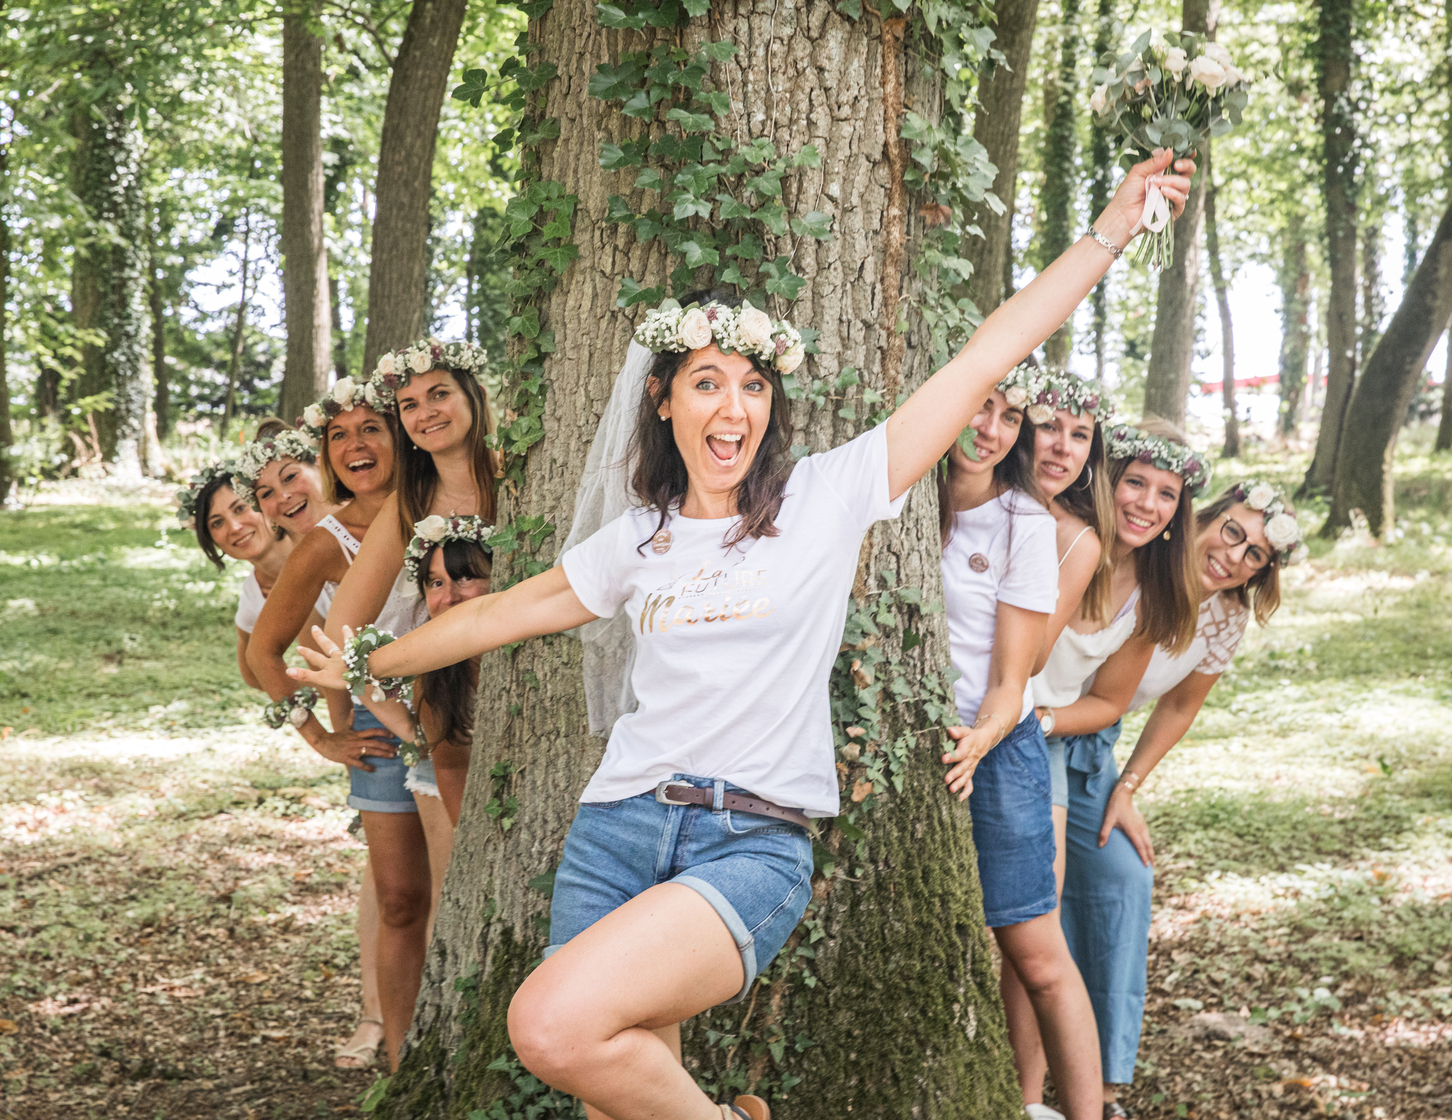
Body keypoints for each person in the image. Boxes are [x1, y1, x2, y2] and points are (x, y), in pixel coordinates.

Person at [290, 148, 1196, 1120]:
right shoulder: (636, 539)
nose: (733, 406)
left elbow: (985, 353)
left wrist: (1108, 231)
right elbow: (506, 615)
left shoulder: (828, 493)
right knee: (612, 1088)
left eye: (752, 387)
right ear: (663, 397)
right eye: (709, 383)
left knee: (551, 1027)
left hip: (749, 838)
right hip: (616, 829)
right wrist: (361, 661)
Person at [1034, 481, 1301, 1119]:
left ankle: (1104, 1085)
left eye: (1255, 556)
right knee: (1043, 898)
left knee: (1124, 877)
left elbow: (1180, 705)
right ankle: (1034, 1075)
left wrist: (1127, 789)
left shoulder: (1226, 617)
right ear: (1206, 519)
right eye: (1232, 532)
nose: (1235, 556)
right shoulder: (1148, 563)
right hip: (1043, 722)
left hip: (1093, 750)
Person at [1008, 420, 1209, 1120]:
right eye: (1136, 483)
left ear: (1177, 515)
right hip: (1002, 718)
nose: (1147, 504)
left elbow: (1108, 703)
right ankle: (1031, 1096)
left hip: (1050, 736)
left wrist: (1043, 724)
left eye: (1166, 495)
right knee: (1034, 911)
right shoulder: (1067, 537)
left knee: (1049, 905)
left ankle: (1048, 1100)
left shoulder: (1154, 596)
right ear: (1110, 479)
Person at [318, 339, 497, 1071]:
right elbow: (341, 637)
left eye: (439, 395)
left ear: (471, 398)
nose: (425, 413)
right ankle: (410, 1067)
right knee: (458, 899)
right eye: (411, 404)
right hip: (446, 729)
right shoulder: (407, 505)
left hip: (528, 716)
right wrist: (399, 718)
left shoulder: (518, 474)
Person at [935, 364, 1102, 1120]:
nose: (989, 429)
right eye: (981, 408)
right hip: (910, 743)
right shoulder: (908, 500)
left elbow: (1013, 678)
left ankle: (1086, 1112)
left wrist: (979, 740)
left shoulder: (1026, 525)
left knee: (1035, 953)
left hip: (995, 751)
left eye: (1008, 417)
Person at [247, 383, 406, 1070]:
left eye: (371, 430)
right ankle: (393, 1042)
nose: (355, 448)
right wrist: (323, 738)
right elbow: (262, 653)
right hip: (378, 719)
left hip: (457, 705)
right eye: (340, 437)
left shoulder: (435, 503)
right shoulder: (319, 544)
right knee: (397, 891)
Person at [352, 515, 493, 826]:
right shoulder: (434, 676)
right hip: (454, 786)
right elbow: (451, 766)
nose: (449, 597)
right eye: (436, 582)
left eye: (466, 577)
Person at [177, 464, 325, 689]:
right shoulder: (255, 594)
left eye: (240, 509)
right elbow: (254, 674)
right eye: (217, 523)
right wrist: (317, 687)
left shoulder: (321, 547)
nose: (235, 527)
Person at [1023, 371, 1116, 670]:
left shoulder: (1080, 544)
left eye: (1079, 435)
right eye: (1049, 426)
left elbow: (1034, 660)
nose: (1063, 448)